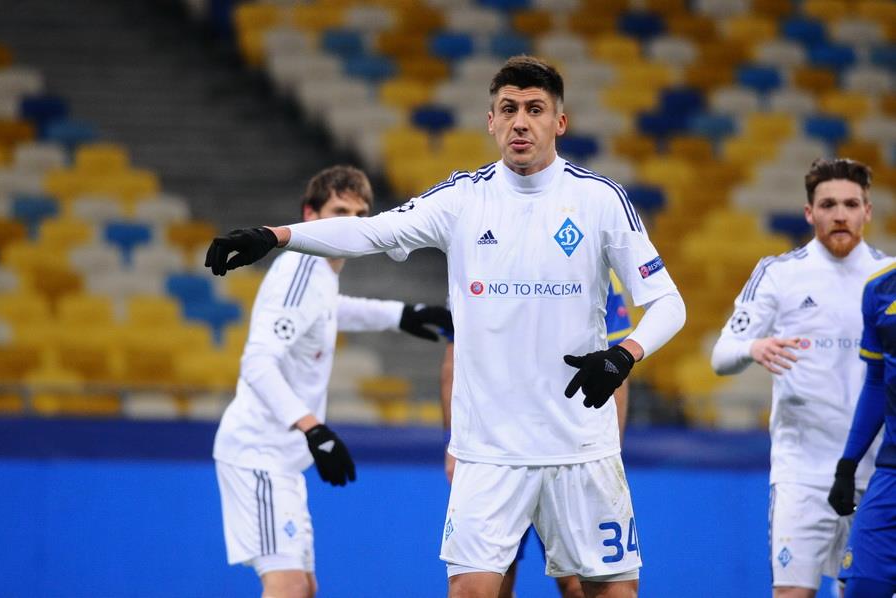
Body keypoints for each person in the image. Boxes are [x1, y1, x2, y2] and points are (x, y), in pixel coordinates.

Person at [205, 56, 686, 598]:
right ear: (490, 121)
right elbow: (371, 233)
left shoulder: (600, 200)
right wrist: (276, 236)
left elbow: (668, 302)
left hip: (581, 448)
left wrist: (625, 354)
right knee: (471, 593)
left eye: (535, 109)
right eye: (508, 109)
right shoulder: (462, 199)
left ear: (560, 122)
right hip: (487, 454)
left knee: (609, 594)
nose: (520, 122)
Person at [212, 165, 452, 598]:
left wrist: (400, 315)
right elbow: (257, 363)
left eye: (360, 216)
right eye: (340, 212)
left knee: (304, 588)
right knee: (288, 586)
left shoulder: (319, 272)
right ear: (310, 215)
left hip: (280, 458)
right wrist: (314, 429)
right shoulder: (301, 269)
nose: (351, 225)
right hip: (258, 452)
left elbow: (328, 309)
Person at [711, 158, 890, 598]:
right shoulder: (779, 273)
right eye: (828, 205)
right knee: (792, 593)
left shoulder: (889, 282)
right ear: (809, 213)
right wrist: (753, 348)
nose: (840, 214)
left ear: (868, 211)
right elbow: (721, 356)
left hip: (878, 471)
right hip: (802, 473)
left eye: (851, 204)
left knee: (862, 591)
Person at [440, 274, 633, 598]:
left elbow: (614, 370)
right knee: (491, 581)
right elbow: (454, 359)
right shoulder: (476, 259)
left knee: (577, 583)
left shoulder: (591, 263)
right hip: (506, 452)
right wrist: (453, 442)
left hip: (558, 451)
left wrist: (609, 450)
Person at [827, 262, 896, 598]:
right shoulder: (880, 289)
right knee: (862, 586)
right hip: (891, 474)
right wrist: (848, 464)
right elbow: (877, 382)